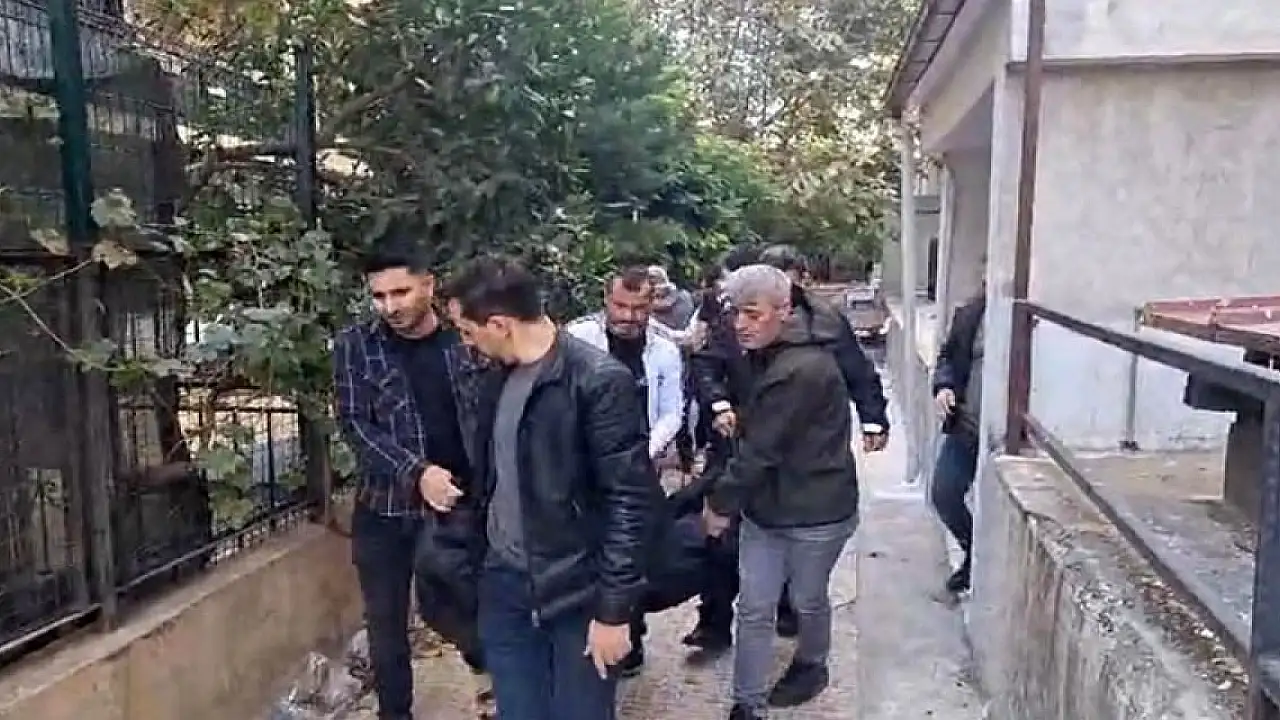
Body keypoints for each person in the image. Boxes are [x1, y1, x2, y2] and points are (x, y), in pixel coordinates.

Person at [444, 257, 662, 720]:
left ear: (499, 325)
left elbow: (629, 502)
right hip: (504, 584)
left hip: (575, 591)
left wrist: (614, 611)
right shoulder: (494, 377)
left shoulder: (598, 381)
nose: (466, 343)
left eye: (467, 331)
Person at [332, 240, 492, 720]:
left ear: (429, 284)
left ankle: (491, 683)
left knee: (463, 608)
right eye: (378, 296)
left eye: (400, 292)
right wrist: (416, 472)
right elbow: (355, 424)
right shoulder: (355, 345)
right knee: (385, 626)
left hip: (457, 506)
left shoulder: (465, 341)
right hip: (384, 508)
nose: (390, 306)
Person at [702, 265, 861, 720]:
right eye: (736, 312)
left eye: (753, 314)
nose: (741, 324)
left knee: (807, 598)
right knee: (754, 606)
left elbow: (761, 449)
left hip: (817, 511)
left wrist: (719, 504)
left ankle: (812, 663)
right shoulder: (765, 350)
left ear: (785, 310)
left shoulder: (803, 367)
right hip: (767, 508)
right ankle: (747, 703)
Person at [565, 266, 684, 676]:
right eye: (621, 305)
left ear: (652, 305)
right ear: (605, 299)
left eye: (639, 308)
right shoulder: (578, 339)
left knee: (632, 551)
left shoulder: (664, 351)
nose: (629, 317)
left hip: (639, 467)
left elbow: (672, 412)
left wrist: (638, 454)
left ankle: (630, 631)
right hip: (580, 469)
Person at [931, 285, 986, 593]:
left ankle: (978, 563)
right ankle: (974, 554)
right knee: (944, 493)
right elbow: (947, 358)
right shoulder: (970, 314)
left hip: (1008, 436)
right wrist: (944, 386)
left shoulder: (1029, 321)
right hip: (966, 425)